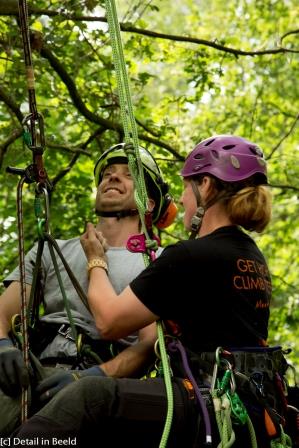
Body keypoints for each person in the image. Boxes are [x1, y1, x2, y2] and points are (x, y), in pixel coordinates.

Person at [11, 135, 292, 447]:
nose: (183, 200)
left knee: (90, 397)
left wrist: (96, 259)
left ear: (207, 186)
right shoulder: (250, 256)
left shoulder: (192, 256)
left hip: (206, 399)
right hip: (239, 403)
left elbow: (108, 321)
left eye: (187, 187)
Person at [0, 142, 176, 436]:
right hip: (31, 372)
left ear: (149, 203)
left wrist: (93, 377)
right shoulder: (51, 250)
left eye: (128, 174)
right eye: (107, 174)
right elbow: (3, 314)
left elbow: (148, 346)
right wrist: (3, 347)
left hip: (99, 383)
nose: (113, 178)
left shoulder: (155, 263)